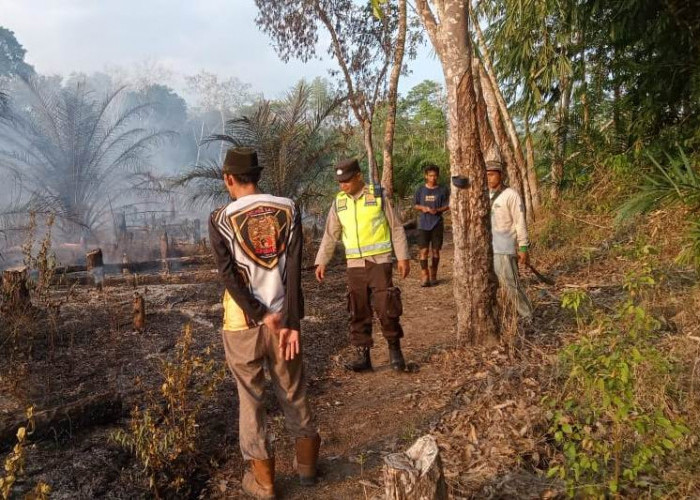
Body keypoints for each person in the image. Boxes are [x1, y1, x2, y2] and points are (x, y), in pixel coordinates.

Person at [209, 147, 320, 499]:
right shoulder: (289, 208)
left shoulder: (220, 219)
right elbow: (294, 270)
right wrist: (287, 321)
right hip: (284, 324)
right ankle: (307, 469)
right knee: (293, 390)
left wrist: (260, 315)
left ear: (229, 179)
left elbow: (230, 277)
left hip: (243, 324)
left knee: (251, 399)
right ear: (257, 175)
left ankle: (265, 482)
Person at [314, 159, 410, 372]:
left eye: (347, 180)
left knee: (386, 308)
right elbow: (331, 234)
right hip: (355, 266)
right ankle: (363, 356)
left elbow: (395, 228)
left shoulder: (377, 196)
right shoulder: (339, 202)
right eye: (340, 182)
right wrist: (321, 261)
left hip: (379, 262)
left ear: (358, 176)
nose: (343, 185)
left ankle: (395, 350)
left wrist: (403, 257)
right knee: (358, 310)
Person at [486, 160, 533, 319]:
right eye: (486, 175)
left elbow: (520, 222)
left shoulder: (511, 195)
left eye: (492, 174)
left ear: (501, 175)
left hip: (504, 248)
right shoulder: (483, 195)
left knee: (511, 285)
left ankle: (527, 315)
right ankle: (502, 315)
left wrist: (523, 247)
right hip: (487, 248)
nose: (489, 178)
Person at [413, 164, 450, 287]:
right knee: (423, 251)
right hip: (423, 224)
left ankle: (434, 274)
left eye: (435, 176)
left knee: (436, 251)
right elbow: (415, 204)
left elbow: (448, 205)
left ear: (437, 176)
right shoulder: (420, 189)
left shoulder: (443, 190)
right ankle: (425, 275)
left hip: (437, 224)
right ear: (426, 176)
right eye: (430, 175)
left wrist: (438, 210)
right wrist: (423, 208)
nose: (433, 178)